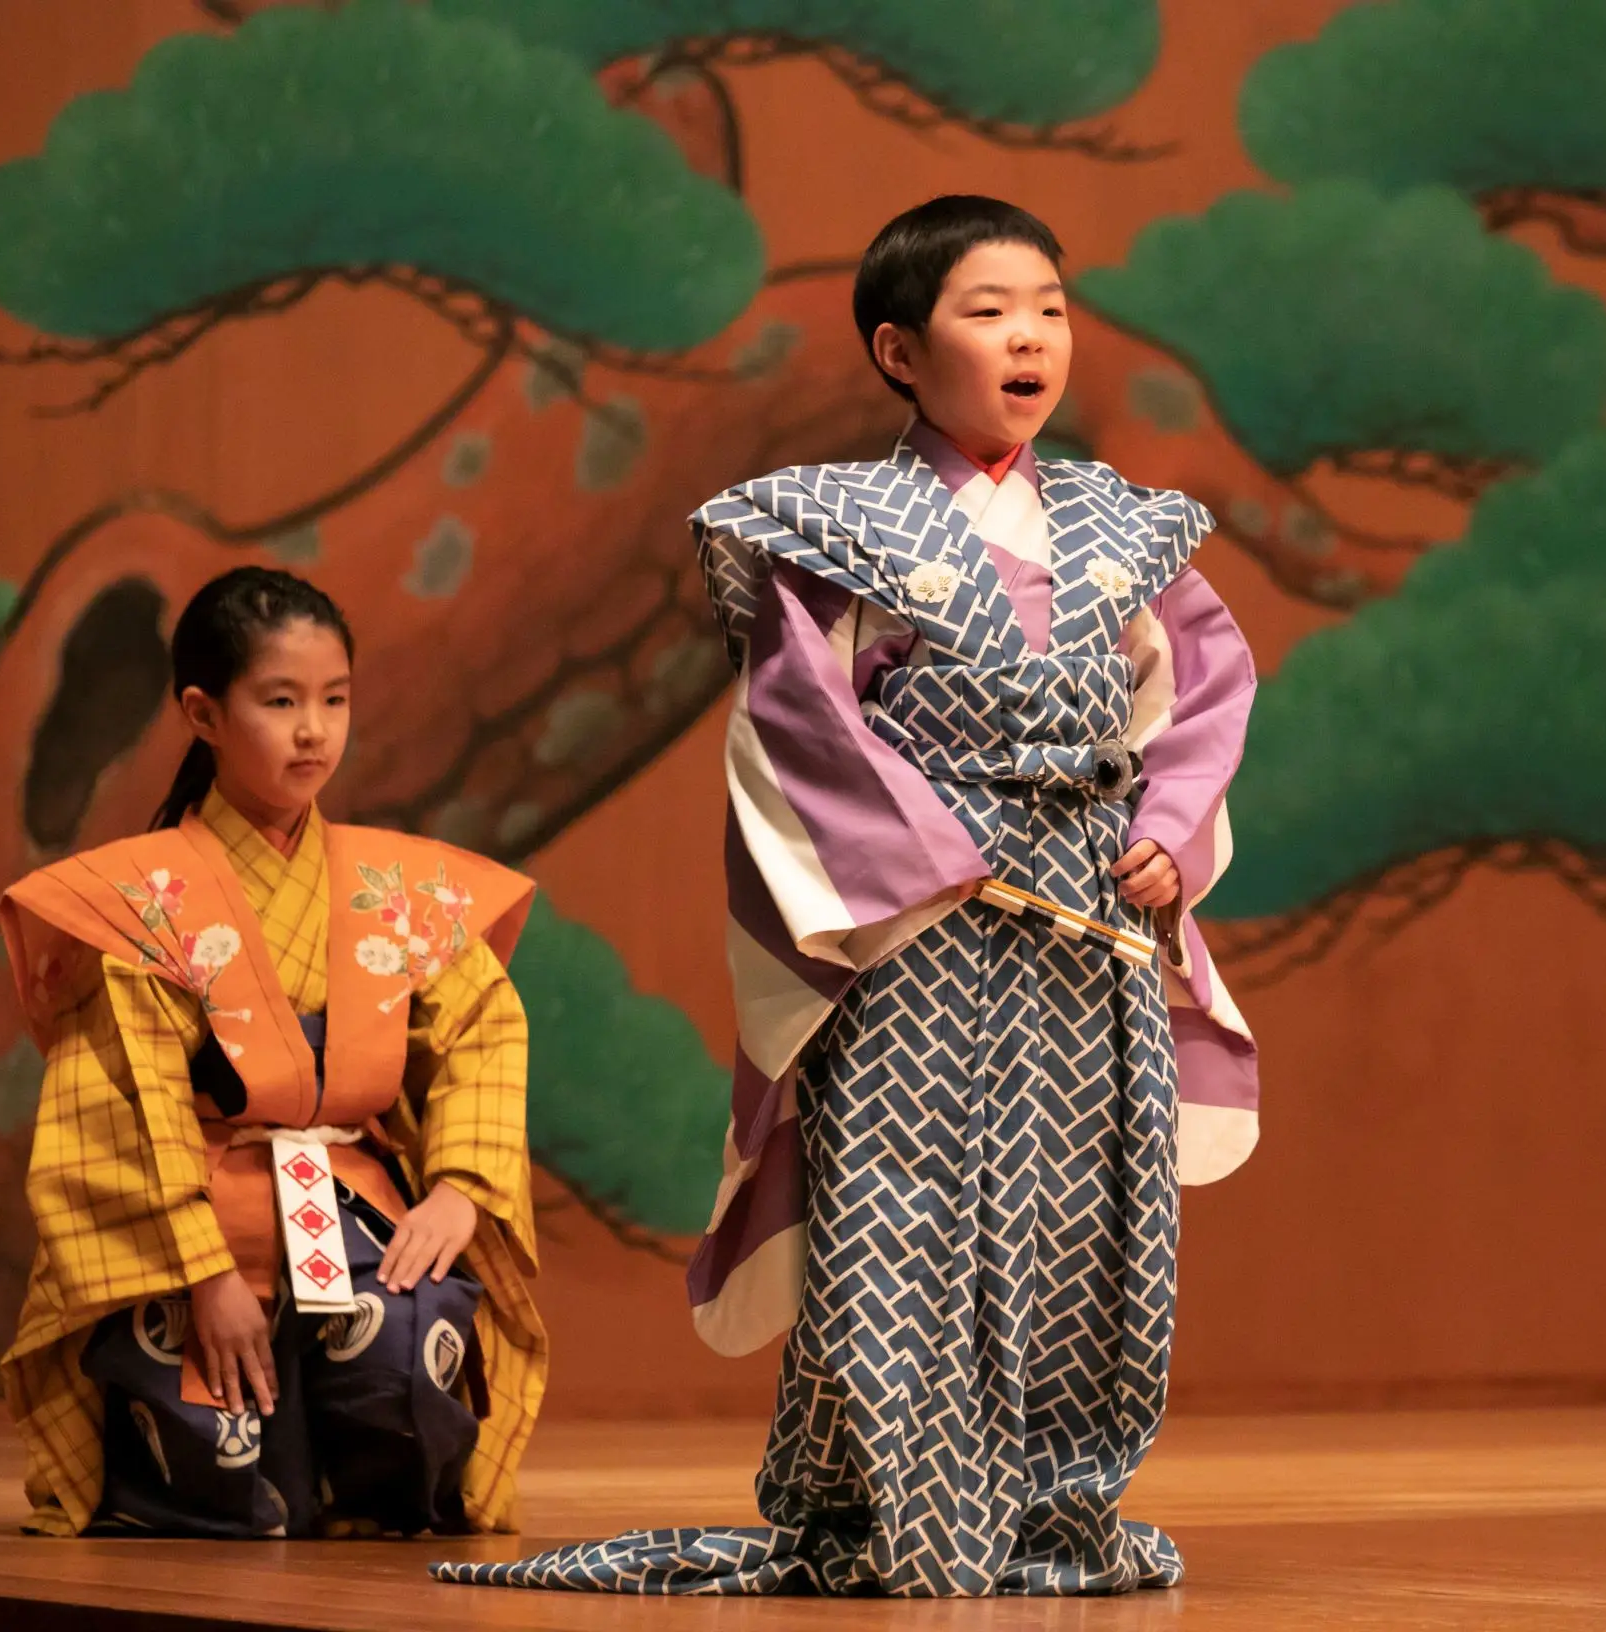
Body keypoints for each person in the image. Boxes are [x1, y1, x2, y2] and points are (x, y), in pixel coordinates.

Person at [438, 194, 1259, 1597]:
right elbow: (798, 726)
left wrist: (1171, 832)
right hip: (920, 928)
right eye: (988, 311)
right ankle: (900, 1510)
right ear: (899, 349)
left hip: (1090, 918)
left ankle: (1055, 1509)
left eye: (1050, 309)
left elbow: (1202, 691)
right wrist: (932, 859)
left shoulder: (1117, 525)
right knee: (903, 1207)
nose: (1030, 337)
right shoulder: (832, 527)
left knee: (1085, 1213)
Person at [0, 566, 547, 1539]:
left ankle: (357, 1497)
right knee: (220, 1439)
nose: (313, 731)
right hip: (197, 1217)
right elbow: (124, 1102)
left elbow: (481, 1030)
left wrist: (462, 1186)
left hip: (350, 1195)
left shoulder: (390, 887)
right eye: (281, 701)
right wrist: (205, 1274)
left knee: (411, 1342)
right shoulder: (145, 901)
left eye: (335, 700)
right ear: (202, 714)